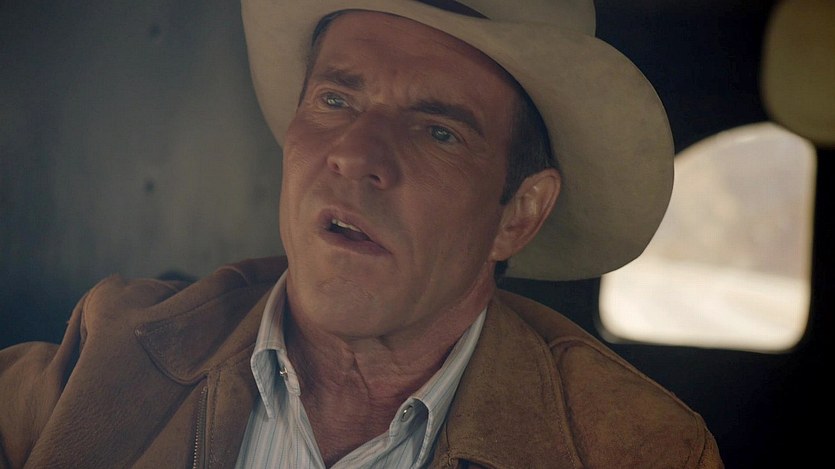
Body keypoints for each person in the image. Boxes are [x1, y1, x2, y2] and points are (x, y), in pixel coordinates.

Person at [0, 0, 724, 467]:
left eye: (437, 131)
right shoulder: (110, 350)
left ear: (518, 214)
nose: (354, 153)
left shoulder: (635, 448)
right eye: (335, 99)